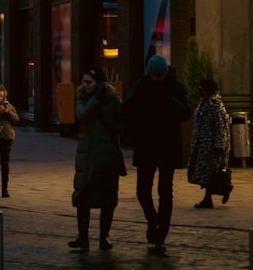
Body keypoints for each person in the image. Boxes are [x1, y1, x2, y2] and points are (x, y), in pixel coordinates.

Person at [123, 54, 191, 255]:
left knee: (165, 191)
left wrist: (166, 96)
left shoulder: (175, 87)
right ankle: (153, 221)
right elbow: (126, 107)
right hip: (145, 144)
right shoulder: (142, 85)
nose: (153, 80)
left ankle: (162, 232)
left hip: (167, 146)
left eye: (156, 76)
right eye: (151, 76)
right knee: (142, 190)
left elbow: (185, 113)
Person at [70, 67, 124, 251]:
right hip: (86, 155)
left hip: (107, 156)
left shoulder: (113, 99)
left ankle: (104, 237)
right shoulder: (82, 97)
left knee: (107, 197)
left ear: (99, 83)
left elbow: (121, 121)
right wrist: (96, 99)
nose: (85, 85)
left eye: (89, 82)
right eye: (83, 81)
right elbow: (83, 115)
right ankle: (82, 236)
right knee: (83, 195)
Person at [187, 78, 231, 208]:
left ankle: (219, 192)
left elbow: (221, 127)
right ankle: (213, 195)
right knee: (206, 174)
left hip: (212, 146)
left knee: (212, 173)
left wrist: (220, 145)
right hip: (203, 145)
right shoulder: (203, 103)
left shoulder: (216, 105)